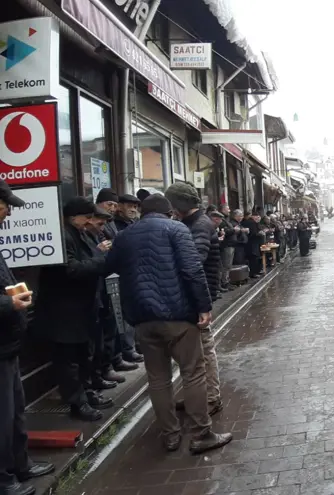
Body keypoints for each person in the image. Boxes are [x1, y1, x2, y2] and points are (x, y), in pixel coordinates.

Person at [106, 194, 233, 455]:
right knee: (193, 372)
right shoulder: (176, 229)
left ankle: (170, 435)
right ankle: (201, 434)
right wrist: (203, 306)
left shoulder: (125, 235)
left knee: (158, 379)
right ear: (169, 211)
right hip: (177, 314)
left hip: (142, 318)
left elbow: (109, 266)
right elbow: (192, 269)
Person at [35, 197, 113, 421]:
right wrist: (101, 259)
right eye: (86, 217)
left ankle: (87, 393)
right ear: (72, 217)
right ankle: (77, 402)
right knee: (68, 359)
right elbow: (72, 270)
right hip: (64, 310)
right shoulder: (62, 236)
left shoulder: (80, 233)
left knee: (83, 355)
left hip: (81, 308)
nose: (90, 221)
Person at [0, 181, 55, 495]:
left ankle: (21, 465)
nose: (8, 212)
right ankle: (4, 479)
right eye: (5, 204)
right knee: (2, 417)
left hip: (8, 345)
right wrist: (9, 303)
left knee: (15, 412)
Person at [164, 183, 223, 416]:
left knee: (204, 349)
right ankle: (198, 396)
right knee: (194, 351)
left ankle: (210, 398)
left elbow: (196, 258)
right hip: (195, 292)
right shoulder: (190, 223)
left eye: (172, 204)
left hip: (200, 292)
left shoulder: (199, 224)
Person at [83, 208, 137, 388]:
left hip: (105, 287)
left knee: (109, 328)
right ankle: (99, 373)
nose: (102, 227)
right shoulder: (81, 237)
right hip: (93, 293)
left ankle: (107, 366)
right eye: (99, 223)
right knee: (98, 338)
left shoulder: (94, 235)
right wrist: (99, 252)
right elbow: (80, 266)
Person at [241, 211, 263, 278]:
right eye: (257, 216)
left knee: (251, 258)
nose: (258, 218)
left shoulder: (245, 222)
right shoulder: (252, 223)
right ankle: (253, 273)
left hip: (248, 243)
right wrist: (260, 233)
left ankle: (252, 272)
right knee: (254, 258)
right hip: (253, 243)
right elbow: (254, 233)